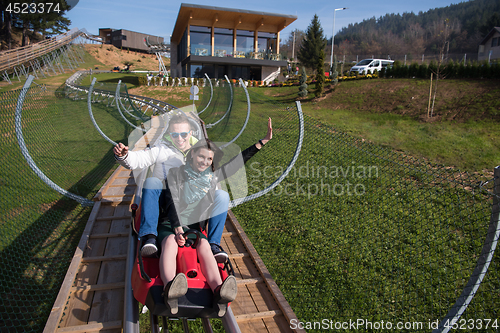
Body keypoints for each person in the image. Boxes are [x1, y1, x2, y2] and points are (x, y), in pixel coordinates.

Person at [159, 118, 273, 316]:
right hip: (171, 222)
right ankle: (170, 288)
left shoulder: (211, 177)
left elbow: (237, 163)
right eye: (201, 156)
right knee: (170, 242)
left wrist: (262, 142)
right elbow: (171, 200)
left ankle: (219, 290)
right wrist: (177, 228)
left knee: (203, 245)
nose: (204, 162)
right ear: (192, 154)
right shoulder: (175, 173)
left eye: (209, 159)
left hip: (192, 226)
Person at [113, 114, 229, 261]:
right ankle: (149, 236)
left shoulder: (200, 150)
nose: (179, 139)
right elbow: (138, 160)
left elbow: (212, 174)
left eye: (183, 134)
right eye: (175, 134)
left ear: (190, 133)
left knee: (222, 195)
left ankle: (213, 244)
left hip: (190, 200)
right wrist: (125, 156)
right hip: (165, 199)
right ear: (169, 134)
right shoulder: (161, 149)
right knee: (152, 182)